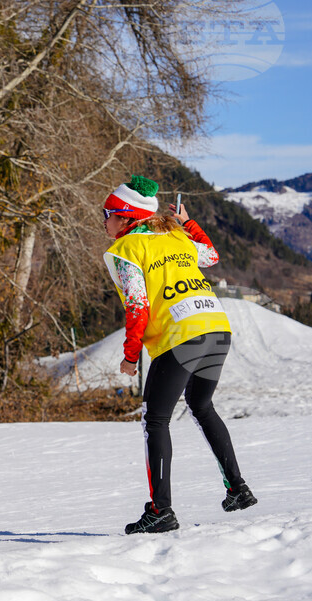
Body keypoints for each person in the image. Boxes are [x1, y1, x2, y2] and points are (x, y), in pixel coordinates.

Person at [101, 176, 257, 534]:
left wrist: (130, 354)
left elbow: (137, 306)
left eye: (107, 213)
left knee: (155, 420)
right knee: (201, 406)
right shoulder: (176, 235)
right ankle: (238, 489)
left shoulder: (125, 251)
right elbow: (212, 255)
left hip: (181, 335)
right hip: (216, 327)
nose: (103, 221)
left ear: (126, 217)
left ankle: (161, 511)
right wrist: (188, 222)